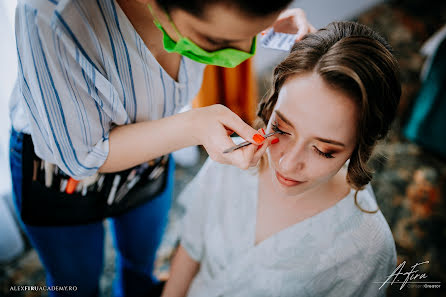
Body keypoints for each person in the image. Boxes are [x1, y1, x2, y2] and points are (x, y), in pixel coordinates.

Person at [9, 0, 315, 296]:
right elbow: (81, 156)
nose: (239, 52)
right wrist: (193, 126)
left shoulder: (207, 17)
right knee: (73, 285)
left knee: (142, 264)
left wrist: (262, 22)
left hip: (151, 155)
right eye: (216, 41)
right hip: (58, 174)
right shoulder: (50, 14)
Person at [163, 21, 401, 297]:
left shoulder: (367, 247)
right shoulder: (232, 159)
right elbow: (190, 249)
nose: (287, 164)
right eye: (281, 129)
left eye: (324, 150)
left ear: (360, 147)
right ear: (273, 102)